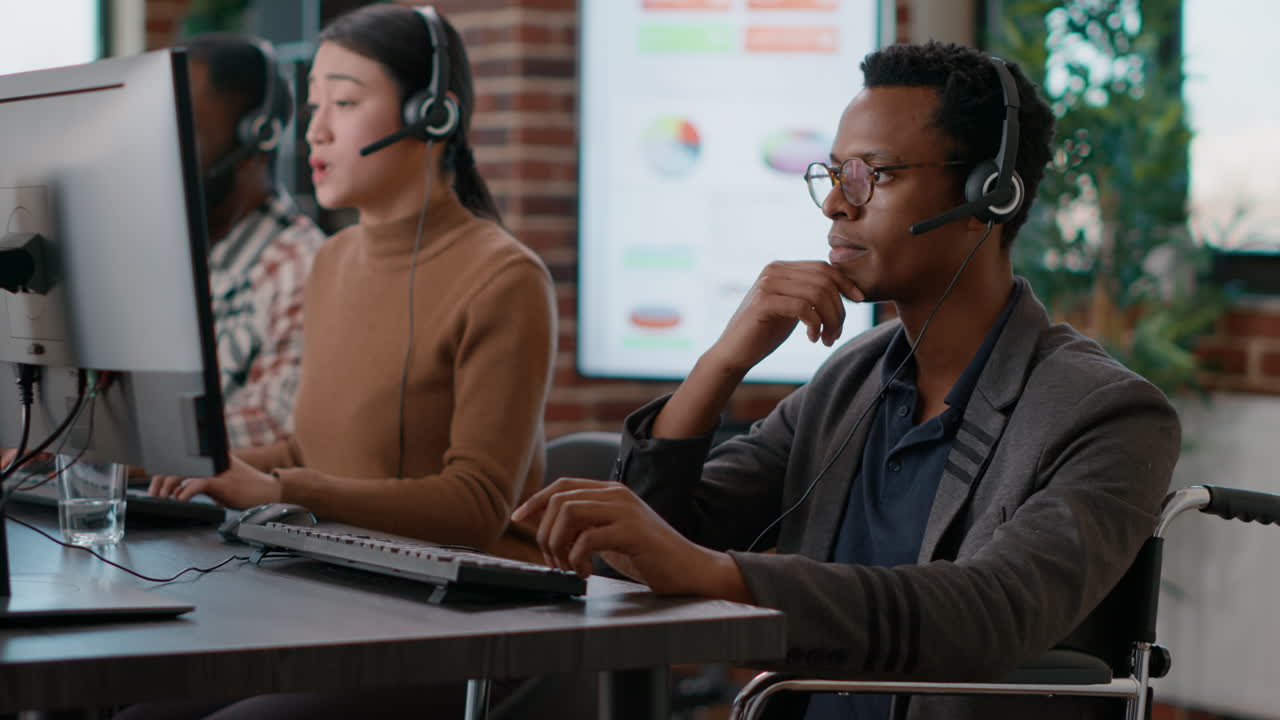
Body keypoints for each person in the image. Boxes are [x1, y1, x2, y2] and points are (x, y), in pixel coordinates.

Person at [515, 42, 1181, 719]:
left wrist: (715, 575)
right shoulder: (853, 379)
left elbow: (996, 612)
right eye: (833, 174)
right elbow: (650, 542)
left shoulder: (1106, 413)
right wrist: (723, 362)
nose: (835, 203)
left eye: (874, 176)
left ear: (989, 194)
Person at [152, 6, 556, 561]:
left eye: (343, 103)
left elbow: (479, 506)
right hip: (343, 574)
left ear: (430, 114)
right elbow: (314, 452)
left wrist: (281, 491)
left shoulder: (506, 278)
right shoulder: (333, 258)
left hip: (464, 610)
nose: (315, 130)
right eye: (315, 107)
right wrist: (179, 462)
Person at [185, 33, 328, 449]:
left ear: (256, 136)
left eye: (185, 131)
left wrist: (129, 448)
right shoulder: (163, 255)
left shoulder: (298, 265)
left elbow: (275, 425)